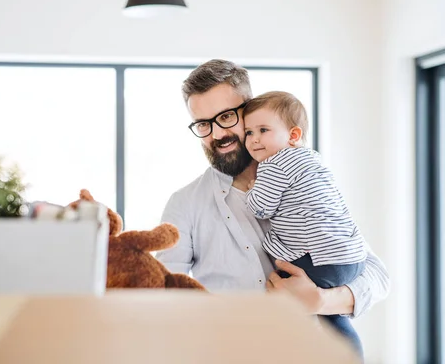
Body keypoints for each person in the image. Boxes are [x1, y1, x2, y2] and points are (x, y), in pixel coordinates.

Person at [155, 59, 389, 357]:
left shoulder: (305, 179)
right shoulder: (184, 204)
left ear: (249, 111)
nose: (216, 135)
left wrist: (320, 301)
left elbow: (377, 275)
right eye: (203, 124)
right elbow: (163, 302)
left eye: (226, 117)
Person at [243, 91, 367, 354]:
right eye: (249, 133)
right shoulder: (312, 158)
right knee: (332, 317)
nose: (254, 140)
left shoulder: (273, 164)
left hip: (321, 260)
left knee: (281, 287)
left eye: (263, 130)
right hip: (352, 257)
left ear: (293, 135)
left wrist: (253, 189)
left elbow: (260, 207)